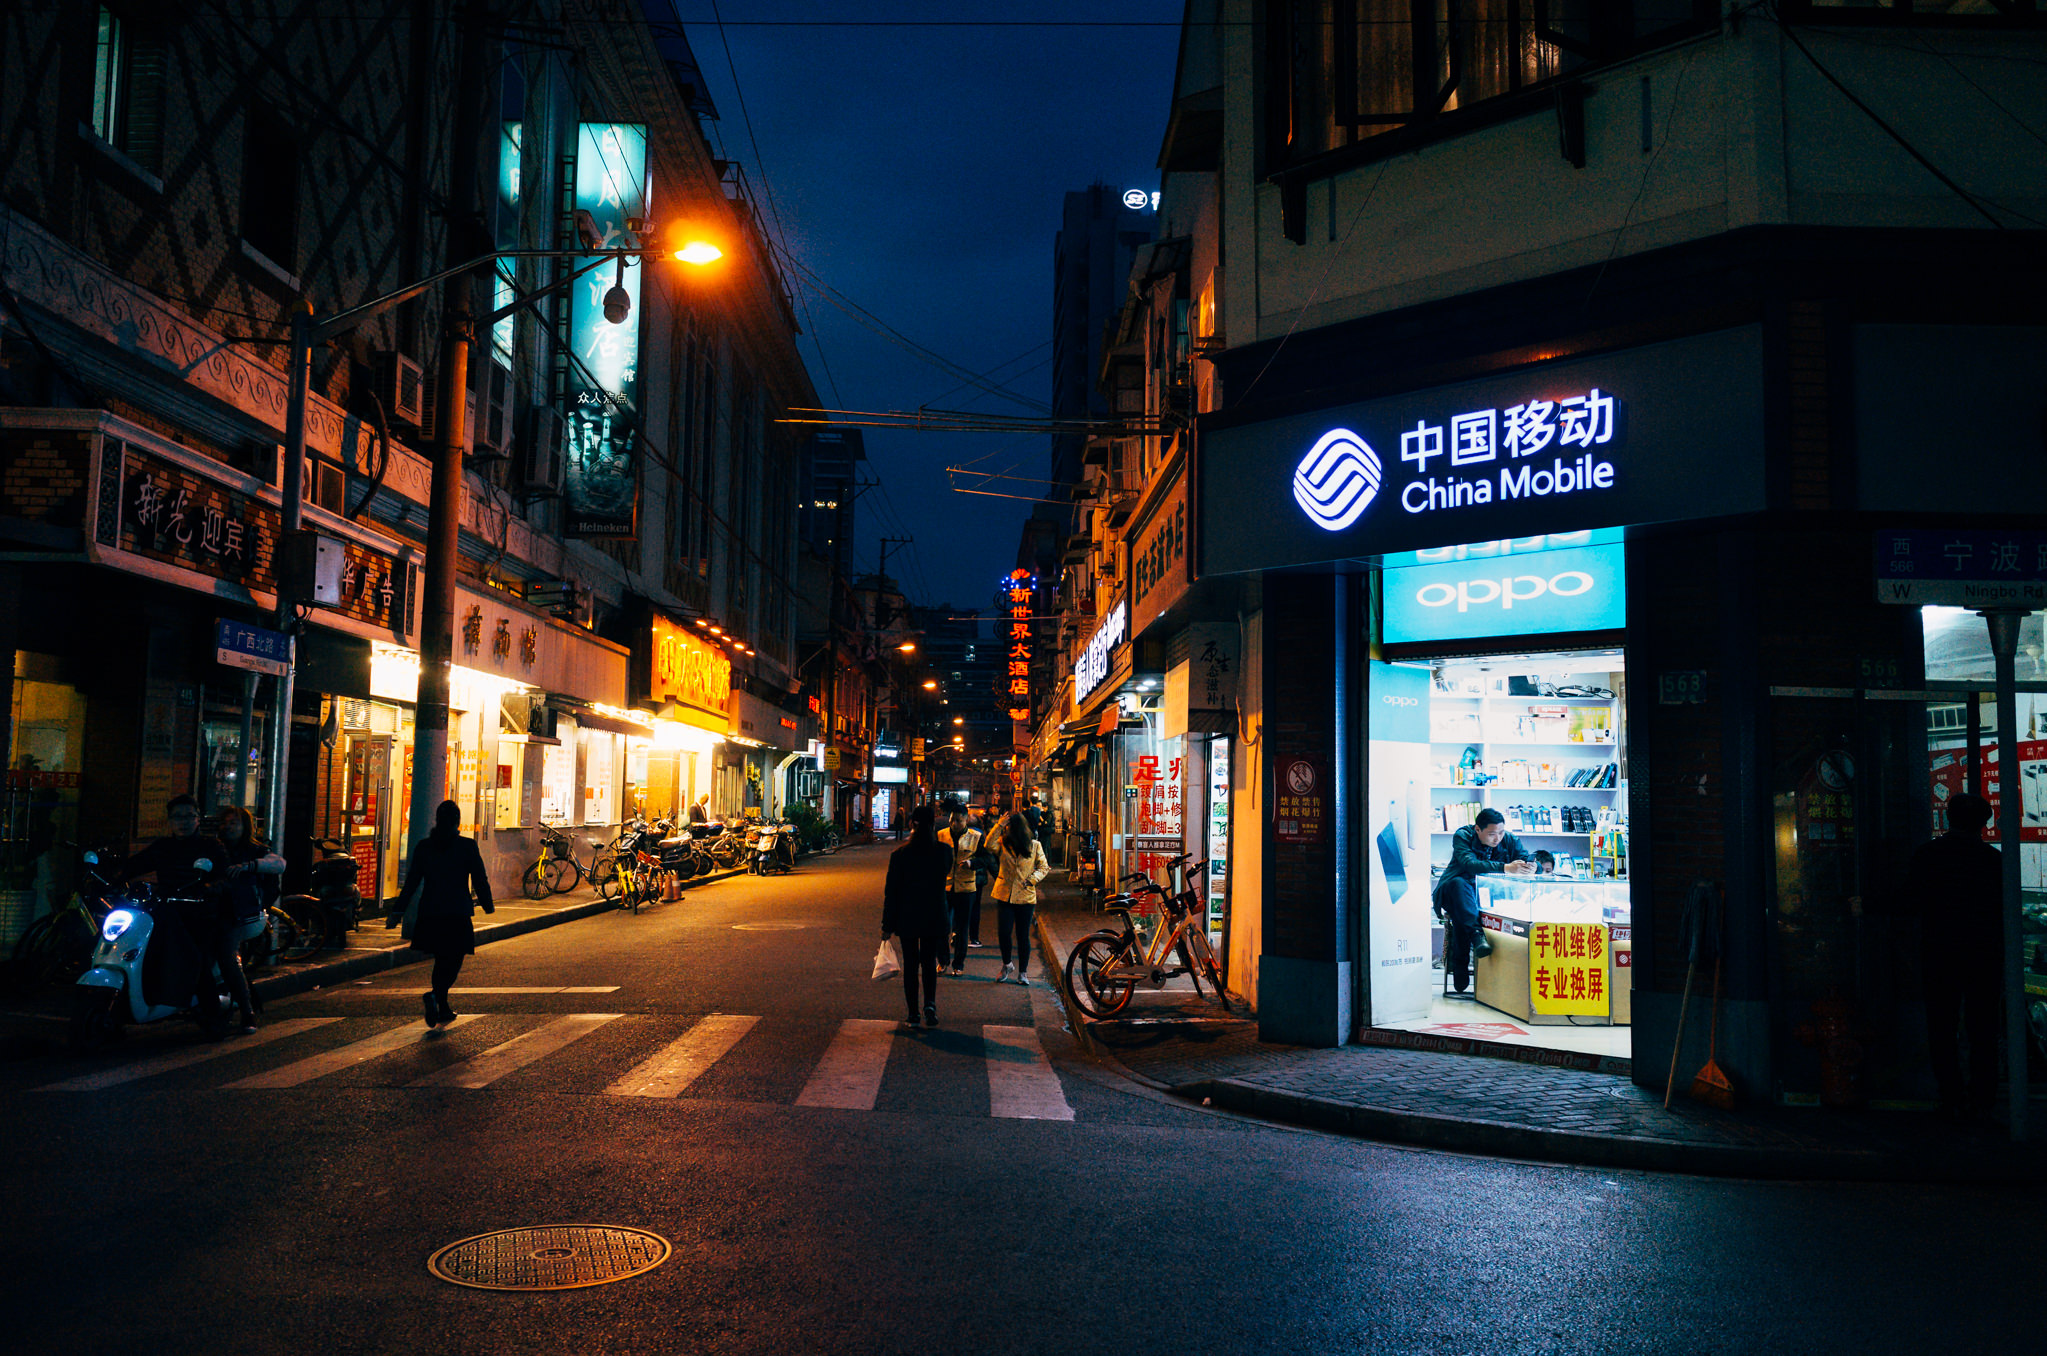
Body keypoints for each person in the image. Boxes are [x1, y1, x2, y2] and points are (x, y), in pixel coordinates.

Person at [1905, 792, 2003, 1119]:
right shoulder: (1993, 860)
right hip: (1983, 955)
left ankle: (1951, 1095)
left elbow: (1909, 901)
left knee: (1941, 1027)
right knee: (1984, 1029)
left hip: (1940, 954)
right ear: (1984, 824)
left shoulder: (1928, 855)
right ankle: (1982, 1098)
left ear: (1948, 818)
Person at [120, 794, 234, 1037]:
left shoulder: (211, 847)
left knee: (196, 959)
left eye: (188, 816)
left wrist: (209, 888)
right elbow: (135, 866)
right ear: (169, 821)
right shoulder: (163, 847)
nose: (182, 822)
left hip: (199, 914)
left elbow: (225, 878)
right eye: (176, 817)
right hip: (165, 912)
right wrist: (109, 873)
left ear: (198, 819)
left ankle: (213, 1017)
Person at [393, 800, 495, 1030]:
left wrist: (398, 911)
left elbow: (411, 882)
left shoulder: (424, 847)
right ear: (457, 821)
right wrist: (488, 904)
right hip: (457, 911)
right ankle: (437, 996)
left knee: (441, 958)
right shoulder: (466, 846)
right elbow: (480, 878)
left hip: (431, 910)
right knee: (453, 959)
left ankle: (442, 1003)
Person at [1432, 808, 1533, 994]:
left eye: (1501, 832)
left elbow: (1526, 857)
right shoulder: (1463, 835)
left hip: (1486, 896)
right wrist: (1506, 868)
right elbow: (1469, 864)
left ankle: (1471, 947)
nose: (1498, 838)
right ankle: (1476, 936)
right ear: (1477, 829)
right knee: (1459, 886)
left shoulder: (1509, 839)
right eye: (1492, 834)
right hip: (1454, 891)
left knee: (1463, 913)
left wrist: (1530, 866)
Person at [215, 806, 284, 1033]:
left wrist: (249, 868)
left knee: (227, 955)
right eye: (225, 822)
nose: (228, 827)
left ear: (245, 826)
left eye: (234, 822)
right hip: (210, 912)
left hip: (242, 915)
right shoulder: (214, 848)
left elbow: (278, 865)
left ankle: (247, 1011)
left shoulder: (255, 850)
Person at [881, 803, 950, 1029]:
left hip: (908, 915)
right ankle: (930, 1003)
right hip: (934, 914)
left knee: (911, 964)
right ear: (933, 823)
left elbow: (891, 892)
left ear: (912, 824)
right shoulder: (944, 852)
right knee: (929, 961)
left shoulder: (900, 855)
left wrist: (887, 925)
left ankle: (912, 1013)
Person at [988, 810, 1051, 985]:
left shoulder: (1034, 846)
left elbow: (1044, 867)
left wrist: (1031, 880)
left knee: (1023, 935)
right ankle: (1007, 964)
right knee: (1004, 932)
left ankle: (1023, 972)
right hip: (1004, 894)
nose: (1007, 830)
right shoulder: (1002, 843)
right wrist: (998, 825)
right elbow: (988, 844)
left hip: (1025, 896)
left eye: (1008, 827)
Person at [937, 799, 982, 975]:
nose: (954, 824)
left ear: (966, 820)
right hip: (945, 889)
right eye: (952, 820)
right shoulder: (940, 835)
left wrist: (973, 863)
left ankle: (958, 964)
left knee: (963, 929)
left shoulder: (976, 836)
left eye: (958, 820)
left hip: (966, 890)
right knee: (942, 926)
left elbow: (986, 859)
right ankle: (942, 960)